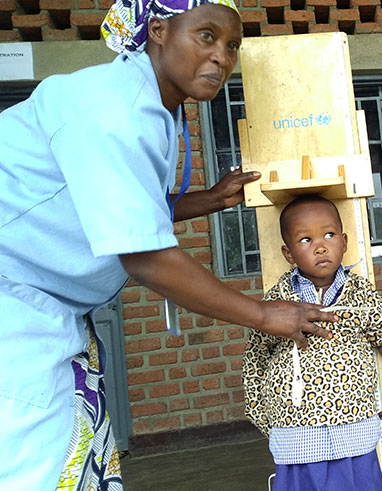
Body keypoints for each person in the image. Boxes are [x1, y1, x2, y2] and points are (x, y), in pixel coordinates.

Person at [0, 0, 338, 488]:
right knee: (36, 470)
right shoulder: (112, 109)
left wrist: (207, 200)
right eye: (207, 36)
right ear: (158, 31)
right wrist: (264, 315)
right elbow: (146, 257)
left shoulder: (152, 106)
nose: (222, 57)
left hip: (39, 305)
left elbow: (114, 205)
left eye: (233, 46)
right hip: (14, 309)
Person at [243, 195, 382, 491]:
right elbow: (256, 358)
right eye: (305, 240)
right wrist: (260, 411)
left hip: (353, 424)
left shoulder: (363, 296)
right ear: (288, 253)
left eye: (329, 235)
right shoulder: (277, 303)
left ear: (344, 242)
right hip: (296, 430)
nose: (320, 247)